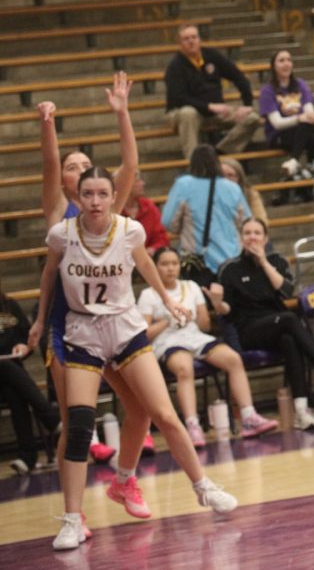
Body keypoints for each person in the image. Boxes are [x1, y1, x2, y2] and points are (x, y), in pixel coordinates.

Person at [29, 166, 237, 550]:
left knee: (163, 414)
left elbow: (144, 265)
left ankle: (202, 487)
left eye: (101, 194)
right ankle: (72, 518)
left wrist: (169, 299)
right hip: (84, 334)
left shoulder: (129, 231)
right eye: (87, 194)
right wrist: (41, 319)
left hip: (124, 330)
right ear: (78, 197)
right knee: (78, 424)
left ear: (113, 196)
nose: (94, 201)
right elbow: (48, 276)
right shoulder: (63, 234)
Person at [37, 75, 157, 527]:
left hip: (111, 322)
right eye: (73, 165)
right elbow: (48, 165)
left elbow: (129, 162)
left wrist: (122, 111)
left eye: (86, 164)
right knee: (76, 422)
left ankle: (124, 480)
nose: (79, 169)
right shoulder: (58, 211)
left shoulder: (107, 206)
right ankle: (75, 513)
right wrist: (48, 124)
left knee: (141, 409)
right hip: (65, 324)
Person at [139, 247, 278, 448]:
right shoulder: (148, 294)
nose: (170, 268)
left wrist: (213, 303)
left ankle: (249, 416)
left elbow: (204, 325)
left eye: (174, 263)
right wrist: (167, 321)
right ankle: (192, 425)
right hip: (167, 340)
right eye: (164, 264)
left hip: (194, 336)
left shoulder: (191, 287)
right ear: (156, 267)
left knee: (233, 359)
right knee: (185, 368)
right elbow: (145, 334)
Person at [218, 218, 314, 431]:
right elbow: (227, 311)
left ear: (265, 238)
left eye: (257, 233)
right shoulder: (230, 269)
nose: (252, 237)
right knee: (289, 319)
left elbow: (287, 291)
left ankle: (302, 410)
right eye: (247, 233)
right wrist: (216, 302)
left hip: (279, 326)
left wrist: (264, 263)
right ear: (241, 239)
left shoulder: (276, 261)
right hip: (250, 330)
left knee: (289, 340)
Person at [164, 24, 261, 160]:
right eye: (186, 39)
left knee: (253, 118)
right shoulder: (175, 67)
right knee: (188, 113)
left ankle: (220, 152)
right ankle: (194, 163)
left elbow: (238, 76)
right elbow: (180, 98)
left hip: (215, 112)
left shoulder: (212, 55)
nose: (191, 41)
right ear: (180, 44)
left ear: (199, 39)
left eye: (194, 37)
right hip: (183, 112)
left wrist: (247, 104)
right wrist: (210, 106)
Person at [162, 145, 251, 274]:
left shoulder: (184, 185)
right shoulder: (232, 188)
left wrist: (185, 228)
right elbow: (246, 222)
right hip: (231, 258)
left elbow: (168, 221)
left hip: (197, 260)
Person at [0, 284, 59, 475]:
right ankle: (51, 418)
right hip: (10, 372)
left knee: (13, 384)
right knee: (9, 370)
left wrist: (23, 347)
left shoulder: (9, 306)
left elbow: (27, 338)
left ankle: (28, 457)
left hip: (11, 375)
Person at [259, 49, 314, 182]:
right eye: (281, 61)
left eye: (289, 60)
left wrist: (310, 116)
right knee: (309, 132)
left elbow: (310, 111)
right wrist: (299, 118)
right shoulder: (267, 91)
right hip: (279, 136)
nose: (286, 64)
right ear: (273, 66)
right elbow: (277, 123)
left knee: (309, 129)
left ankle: (297, 163)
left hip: (300, 132)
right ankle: (310, 164)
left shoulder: (300, 84)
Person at [121, 171, 169, 254]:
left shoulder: (149, 206)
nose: (143, 183)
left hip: (147, 258)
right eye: (137, 181)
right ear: (125, 184)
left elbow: (161, 238)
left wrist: (153, 249)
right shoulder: (112, 211)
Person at [220, 156, 269, 224]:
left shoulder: (250, 193)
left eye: (230, 175)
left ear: (239, 177)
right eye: (222, 176)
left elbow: (261, 220)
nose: (226, 179)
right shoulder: (211, 194)